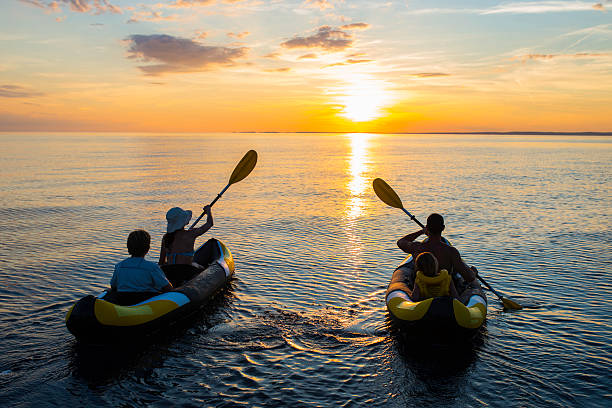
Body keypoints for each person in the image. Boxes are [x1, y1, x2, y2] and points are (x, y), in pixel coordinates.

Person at [397, 213, 477, 286]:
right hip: (445, 292)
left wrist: (421, 232)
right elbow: (469, 277)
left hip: (421, 291)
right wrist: (473, 272)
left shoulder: (417, 247)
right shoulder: (451, 252)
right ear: (443, 228)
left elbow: (401, 242)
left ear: (427, 228)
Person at [110, 230, 173, 305]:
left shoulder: (119, 266)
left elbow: (113, 286)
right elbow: (168, 288)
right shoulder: (152, 267)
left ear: (128, 247)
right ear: (148, 248)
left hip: (123, 302)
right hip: (145, 304)